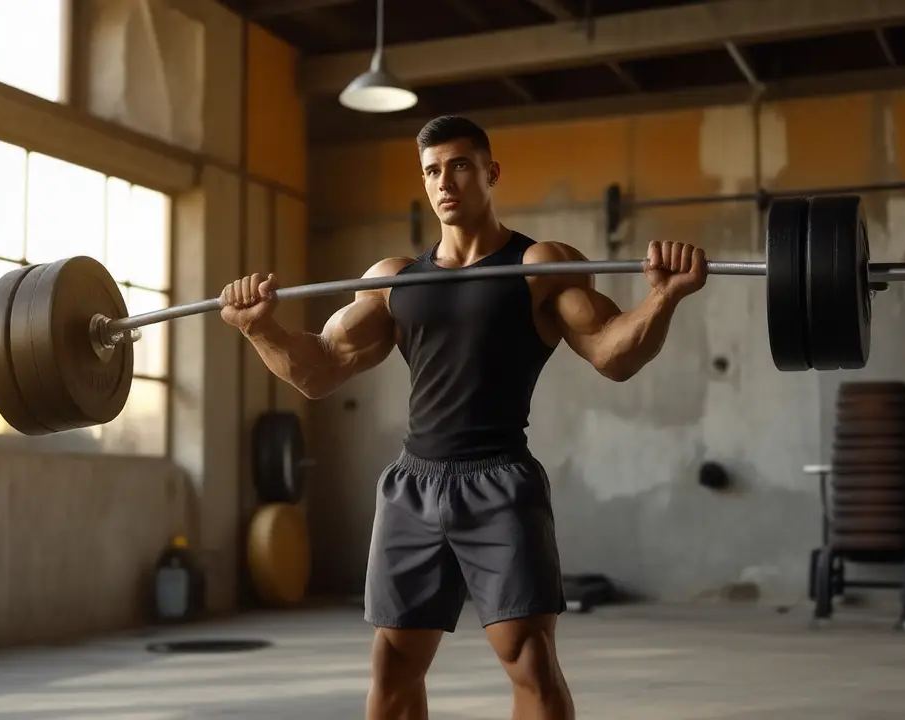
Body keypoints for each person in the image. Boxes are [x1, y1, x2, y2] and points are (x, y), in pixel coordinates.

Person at [219, 115, 707, 720]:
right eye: (431, 171)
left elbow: (612, 353)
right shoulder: (394, 281)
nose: (443, 181)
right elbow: (319, 370)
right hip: (412, 487)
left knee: (530, 661)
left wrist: (663, 297)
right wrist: (259, 327)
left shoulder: (539, 266)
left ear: (490, 172)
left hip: (499, 483)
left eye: (458, 165)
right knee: (393, 667)